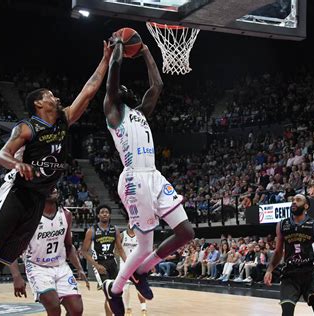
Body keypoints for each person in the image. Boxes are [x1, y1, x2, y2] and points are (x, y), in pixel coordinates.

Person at [0, 42, 111, 299]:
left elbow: (90, 90)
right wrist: (19, 164)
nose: (56, 97)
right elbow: (1, 155)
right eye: (50, 95)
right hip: (16, 193)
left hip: (36, 201)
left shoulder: (64, 119)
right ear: (39, 103)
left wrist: (105, 59)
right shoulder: (27, 127)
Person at [101, 34, 194, 315]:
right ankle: (114, 289)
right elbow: (114, 76)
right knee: (143, 246)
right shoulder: (113, 111)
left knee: (186, 232)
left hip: (154, 176)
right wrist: (119, 45)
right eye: (122, 88)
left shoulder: (140, 113)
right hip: (133, 179)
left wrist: (144, 51)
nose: (126, 88)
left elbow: (158, 85)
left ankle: (141, 272)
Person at [9, 189, 89, 316]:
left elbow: (68, 245)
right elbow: (11, 248)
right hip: (37, 267)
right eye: (49, 186)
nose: (54, 189)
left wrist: (79, 268)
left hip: (61, 266)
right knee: (54, 306)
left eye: (55, 186)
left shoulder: (66, 214)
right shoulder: (29, 216)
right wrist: (16, 276)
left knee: (76, 310)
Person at [264, 194, 314, 316]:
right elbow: (279, 251)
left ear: (306, 206)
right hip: (290, 274)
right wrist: (269, 270)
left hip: (310, 274)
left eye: (298, 200)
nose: (294, 202)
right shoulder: (281, 225)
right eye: (293, 200)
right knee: (287, 313)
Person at [81, 205, 126, 316]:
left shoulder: (114, 229)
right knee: (109, 294)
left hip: (112, 262)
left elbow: (120, 249)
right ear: (98, 215)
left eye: (106, 212)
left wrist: (129, 263)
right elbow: (84, 251)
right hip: (100, 263)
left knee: (117, 294)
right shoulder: (92, 231)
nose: (105, 214)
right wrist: (96, 265)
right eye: (102, 212)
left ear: (109, 215)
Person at [120, 226, 147, 316]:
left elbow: (144, 250)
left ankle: (144, 309)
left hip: (137, 263)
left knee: (140, 286)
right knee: (126, 288)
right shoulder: (122, 235)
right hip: (124, 263)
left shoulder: (140, 236)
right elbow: (117, 249)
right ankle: (128, 308)